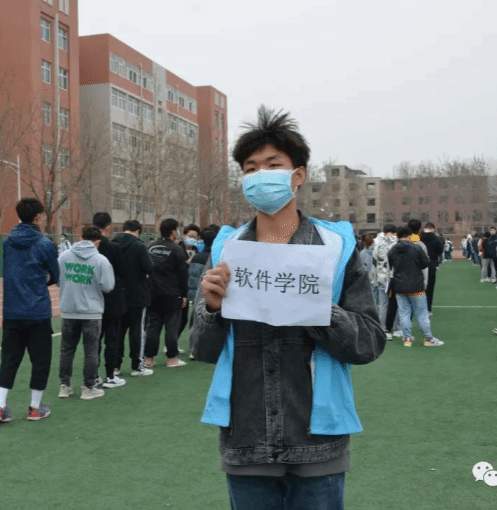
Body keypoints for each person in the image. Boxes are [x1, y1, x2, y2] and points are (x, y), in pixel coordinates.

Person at [190, 106, 386, 509]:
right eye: (250, 169)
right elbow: (201, 349)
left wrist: (319, 306)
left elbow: (368, 343)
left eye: (273, 165)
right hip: (246, 439)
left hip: (318, 442)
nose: (260, 175)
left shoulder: (335, 249)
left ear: (298, 175)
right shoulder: (227, 251)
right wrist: (212, 310)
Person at [0, 198, 59, 423]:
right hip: (38, 311)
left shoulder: (7, 242)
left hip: (12, 310)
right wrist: (40, 282)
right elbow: (56, 275)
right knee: (41, 360)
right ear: (38, 217)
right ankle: (35, 407)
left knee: (9, 359)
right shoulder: (45, 244)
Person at [57, 226, 115, 400]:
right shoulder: (100, 260)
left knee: (66, 350)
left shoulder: (64, 256)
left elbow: (58, 279)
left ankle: (65, 386)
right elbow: (108, 286)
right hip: (91, 311)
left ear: (81, 237)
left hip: (69, 310)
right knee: (91, 350)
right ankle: (88, 387)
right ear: (97, 241)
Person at [112, 220, 155, 376]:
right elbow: (149, 267)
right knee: (137, 330)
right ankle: (137, 365)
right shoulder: (139, 246)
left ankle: (115, 366)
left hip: (117, 293)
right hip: (138, 293)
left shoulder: (112, 244)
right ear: (138, 231)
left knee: (118, 331)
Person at [388, 227, 444, 347]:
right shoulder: (416, 248)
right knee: (422, 314)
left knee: (404, 313)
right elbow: (425, 264)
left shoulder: (392, 250)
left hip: (399, 286)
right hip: (416, 286)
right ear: (409, 236)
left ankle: (407, 338)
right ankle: (428, 338)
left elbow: (391, 266)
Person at [144, 218, 189, 368]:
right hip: (172, 293)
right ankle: (172, 358)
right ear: (173, 232)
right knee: (171, 326)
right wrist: (184, 294)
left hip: (153, 292)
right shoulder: (177, 250)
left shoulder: (150, 247)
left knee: (153, 326)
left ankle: (149, 359)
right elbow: (183, 274)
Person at [92, 212, 127, 389]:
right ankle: (110, 375)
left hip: (91, 298)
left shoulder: (86, 247)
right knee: (112, 339)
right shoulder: (113, 247)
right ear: (108, 226)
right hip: (112, 298)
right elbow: (121, 272)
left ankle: (93, 375)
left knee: (94, 340)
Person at [187, 227, 217, 358]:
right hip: (213, 295)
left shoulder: (197, 256)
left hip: (197, 294)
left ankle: (193, 347)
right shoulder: (217, 257)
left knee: (195, 317)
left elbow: (192, 278)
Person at [372, 224, 398, 340]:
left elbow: (374, 262)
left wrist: (374, 279)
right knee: (396, 304)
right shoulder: (397, 244)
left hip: (381, 277)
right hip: (393, 277)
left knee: (383, 304)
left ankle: (382, 327)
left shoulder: (377, 244)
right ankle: (396, 328)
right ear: (394, 232)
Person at [420, 222, 444, 313]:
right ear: (433, 229)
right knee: (429, 289)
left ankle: (418, 309)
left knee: (417, 289)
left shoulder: (417, 237)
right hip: (431, 265)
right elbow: (440, 251)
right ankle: (428, 309)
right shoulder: (436, 238)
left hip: (418, 266)